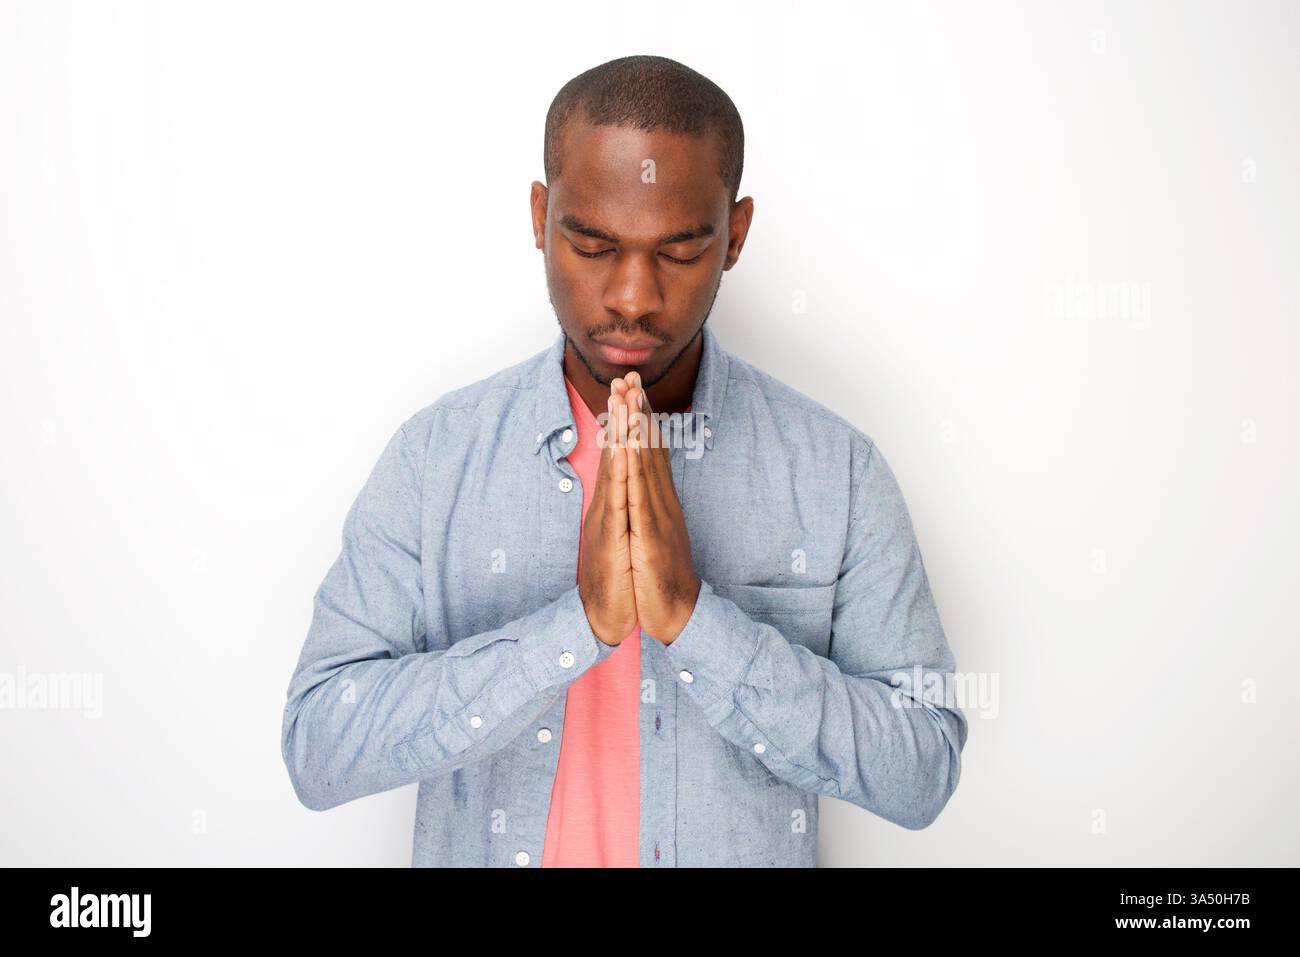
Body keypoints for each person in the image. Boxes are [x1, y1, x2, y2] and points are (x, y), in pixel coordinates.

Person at [280, 54, 967, 867]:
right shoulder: (435, 459)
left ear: (736, 236)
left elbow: (923, 768)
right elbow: (319, 745)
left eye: (678, 252)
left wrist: (694, 619)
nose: (634, 297)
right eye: (593, 244)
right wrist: (575, 628)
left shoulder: (836, 472)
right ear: (541, 217)